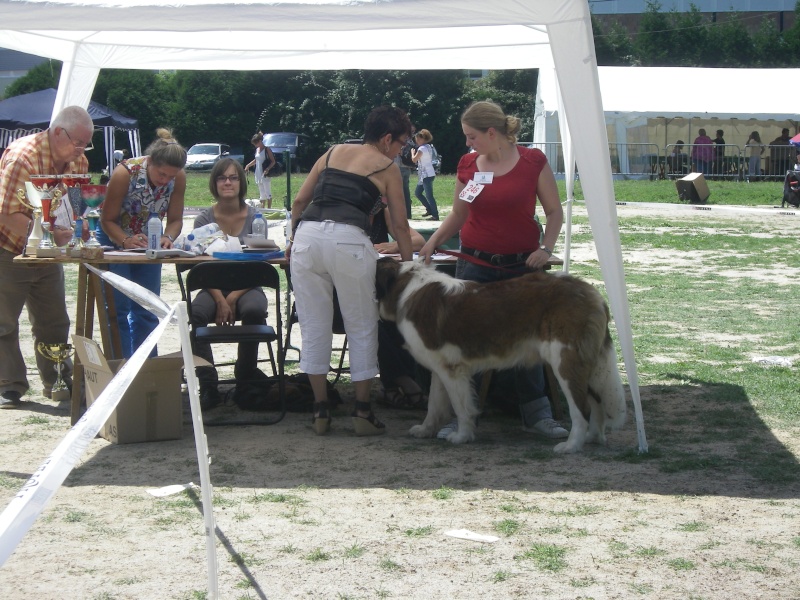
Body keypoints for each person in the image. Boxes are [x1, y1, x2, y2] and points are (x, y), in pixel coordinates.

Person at [418, 100, 568, 440]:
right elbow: (459, 214)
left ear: (491, 132)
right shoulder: (468, 164)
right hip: (475, 264)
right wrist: (433, 242)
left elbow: (554, 212)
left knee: (529, 340)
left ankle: (537, 413)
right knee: (463, 341)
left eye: (472, 136)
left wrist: (546, 249)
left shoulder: (532, 161)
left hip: (522, 266)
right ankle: (462, 416)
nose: (467, 144)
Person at [287, 105, 413, 436]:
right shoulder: (387, 166)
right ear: (387, 139)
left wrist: (292, 238)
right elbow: (399, 225)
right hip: (349, 241)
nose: (402, 150)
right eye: (402, 142)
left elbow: (299, 202)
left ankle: (320, 411)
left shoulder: (332, 152)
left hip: (307, 239)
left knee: (314, 328)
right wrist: (411, 265)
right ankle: (361, 411)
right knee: (361, 325)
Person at [0, 105, 93, 408]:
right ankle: (10, 385)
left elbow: (75, 207)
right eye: (77, 142)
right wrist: (47, 234)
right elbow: (6, 213)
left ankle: (58, 381)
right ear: (57, 132)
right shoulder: (21, 158)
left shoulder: (78, 161)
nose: (80, 150)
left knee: (54, 321)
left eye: (85, 143)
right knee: (4, 323)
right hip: (9, 250)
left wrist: (81, 226)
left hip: (49, 254)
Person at [98, 128, 187, 358]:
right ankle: (121, 366)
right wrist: (126, 240)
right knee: (118, 309)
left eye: (171, 176)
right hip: (115, 238)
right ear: (150, 162)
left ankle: (147, 368)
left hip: (150, 243)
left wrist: (168, 237)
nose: (165, 180)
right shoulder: (125, 173)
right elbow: (107, 219)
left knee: (147, 307)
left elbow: (176, 219)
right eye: (161, 174)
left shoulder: (178, 178)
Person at [189, 158, 270, 409]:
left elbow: (259, 266)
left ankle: (245, 377)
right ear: (214, 183)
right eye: (222, 178)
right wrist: (220, 298)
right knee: (195, 313)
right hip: (212, 287)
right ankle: (208, 383)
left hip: (248, 286)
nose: (227, 182)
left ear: (241, 182)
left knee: (255, 310)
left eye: (233, 177)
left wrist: (233, 297)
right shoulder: (203, 220)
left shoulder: (256, 218)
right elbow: (200, 268)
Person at [369, 208, 428, 409]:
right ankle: (405, 382)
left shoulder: (381, 212)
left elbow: (419, 241)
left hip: (379, 292)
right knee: (376, 320)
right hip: (347, 295)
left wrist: (395, 244)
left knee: (395, 316)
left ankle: (392, 387)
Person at [411, 129, 439, 220]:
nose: (417, 141)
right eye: (416, 140)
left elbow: (414, 160)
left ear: (424, 139)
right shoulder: (428, 147)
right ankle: (429, 209)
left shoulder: (422, 148)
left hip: (427, 175)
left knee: (429, 195)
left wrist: (412, 153)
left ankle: (435, 215)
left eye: (419, 139)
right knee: (418, 193)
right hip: (426, 174)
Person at [245, 132, 277, 208]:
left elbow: (273, 161)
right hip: (258, 173)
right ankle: (262, 208)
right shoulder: (257, 150)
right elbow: (256, 160)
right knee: (261, 192)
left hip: (265, 173)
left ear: (260, 141)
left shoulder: (267, 149)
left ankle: (269, 209)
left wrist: (268, 169)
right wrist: (248, 165)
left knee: (267, 191)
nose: (255, 146)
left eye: (256, 144)